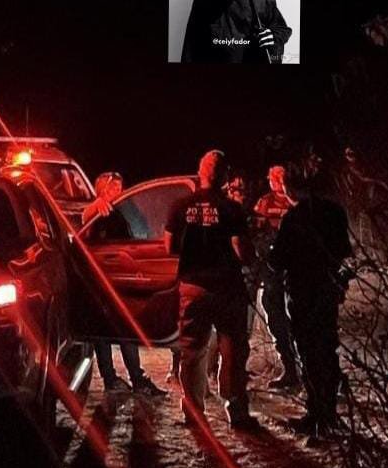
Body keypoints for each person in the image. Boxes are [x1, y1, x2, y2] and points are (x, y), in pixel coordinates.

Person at [164, 150, 258, 429]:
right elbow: (241, 249)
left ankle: (193, 413)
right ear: (225, 177)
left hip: (193, 287)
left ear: (200, 173)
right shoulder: (232, 209)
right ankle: (236, 411)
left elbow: (169, 247)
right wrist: (251, 257)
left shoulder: (180, 206)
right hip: (228, 288)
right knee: (232, 352)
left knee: (192, 352)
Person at [269, 165, 353, 438]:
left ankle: (317, 414)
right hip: (327, 289)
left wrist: (269, 251)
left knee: (308, 351)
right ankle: (328, 412)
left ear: (290, 188)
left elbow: (276, 261)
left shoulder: (293, 218)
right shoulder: (334, 211)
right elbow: (345, 252)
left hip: (303, 292)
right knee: (327, 348)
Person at [83, 172, 166, 397]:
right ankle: (112, 379)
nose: (118, 193)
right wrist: (96, 205)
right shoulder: (98, 210)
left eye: (120, 188)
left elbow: (142, 231)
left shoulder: (125, 209)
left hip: (121, 278)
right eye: (112, 189)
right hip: (100, 279)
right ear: (101, 190)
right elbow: (86, 222)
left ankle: (137, 379)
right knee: (104, 331)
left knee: (125, 329)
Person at [253, 165, 299, 388]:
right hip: (272, 268)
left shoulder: (297, 202)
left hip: (295, 268)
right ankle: (289, 368)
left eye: (279, 178)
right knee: (274, 313)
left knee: (297, 318)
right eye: (272, 178)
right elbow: (256, 229)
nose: (275, 182)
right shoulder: (264, 202)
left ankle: (307, 371)